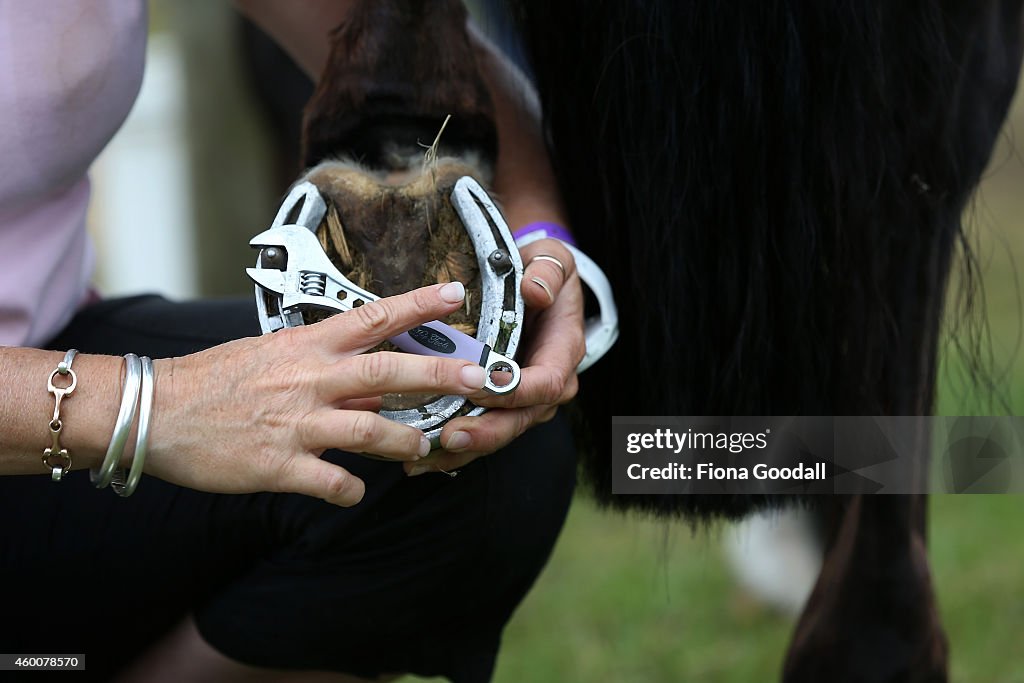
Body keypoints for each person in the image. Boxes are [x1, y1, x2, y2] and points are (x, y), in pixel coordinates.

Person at [0, 1, 585, 681]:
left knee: (472, 470)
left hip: (49, 367)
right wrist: (154, 407)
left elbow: (402, 40)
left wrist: (538, 237)